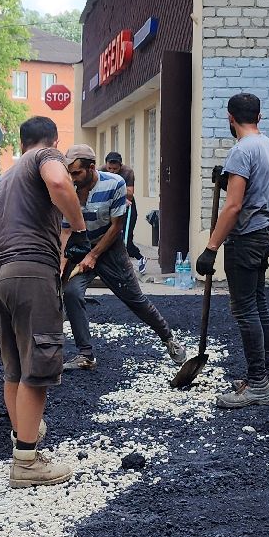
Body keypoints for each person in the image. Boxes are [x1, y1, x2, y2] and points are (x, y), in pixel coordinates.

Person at [0, 116, 87, 489]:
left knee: (14, 366)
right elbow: (60, 181)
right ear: (53, 140)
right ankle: (26, 465)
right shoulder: (47, 155)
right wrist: (79, 227)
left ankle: (22, 443)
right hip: (29, 273)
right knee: (38, 367)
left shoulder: (6, 178)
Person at [60, 145, 188, 370]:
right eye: (69, 173)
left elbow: (117, 227)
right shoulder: (67, 187)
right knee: (70, 293)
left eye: (76, 173)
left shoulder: (114, 184)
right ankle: (85, 355)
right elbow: (66, 230)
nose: (72, 177)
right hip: (80, 247)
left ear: (91, 168)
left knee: (134, 299)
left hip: (110, 249)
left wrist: (94, 255)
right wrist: (61, 266)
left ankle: (169, 340)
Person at [194, 93, 269, 409]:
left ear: (230, 118)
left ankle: (258, 386)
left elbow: (232, 207)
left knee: (246, 311)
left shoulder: (241, 151)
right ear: (259, 117)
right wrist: (229, 180)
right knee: (258, 307)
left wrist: (210, 248)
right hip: (264, 234)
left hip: (244, 239)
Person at [104, 150, 146, 273]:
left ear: (120, 166)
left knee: (126, 239)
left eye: (115, 169)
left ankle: (140, 258)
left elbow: (130, 194)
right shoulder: (100, 170)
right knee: (108, 236)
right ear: (106, 165)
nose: (111, 171)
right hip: (109, 206)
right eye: (109, 168)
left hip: (127, 205)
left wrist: (117, 183)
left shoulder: (127, 172)